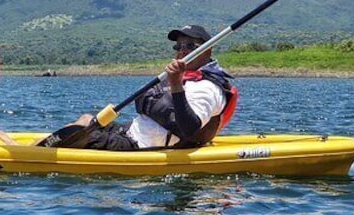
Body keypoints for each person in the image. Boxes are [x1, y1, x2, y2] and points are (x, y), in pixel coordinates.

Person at [68, 25, 238, 150]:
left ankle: (47, 155)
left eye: (189, 46)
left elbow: (189, 128)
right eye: (178, 47)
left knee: (82, 137)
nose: (182, 51)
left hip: (141, 147)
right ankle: (49, 147)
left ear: (207, 51)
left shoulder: (207, 88)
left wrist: (176, 84)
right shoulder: (185, 77)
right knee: (85, 119)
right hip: (132, 132)